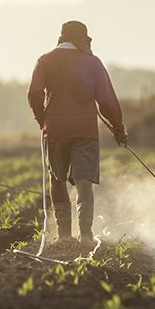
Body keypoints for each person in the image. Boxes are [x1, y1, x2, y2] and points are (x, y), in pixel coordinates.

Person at [27, 20, 127, 252]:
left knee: (57, 179)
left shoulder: (45, 60)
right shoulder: (92, 62)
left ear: (62, 38)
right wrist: (119, 128)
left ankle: (63, 235)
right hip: (85, 131)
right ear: (83, 39)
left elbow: (34, 94)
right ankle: (85, 236)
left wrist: (43, 120)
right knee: (84, 183)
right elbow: (107, 101)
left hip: (55, 131)